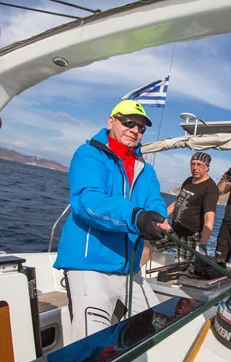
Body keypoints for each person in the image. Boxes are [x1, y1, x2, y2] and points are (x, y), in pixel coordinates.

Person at [54, 99, 170, 342]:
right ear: (111, 121)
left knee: (155, 333)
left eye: (141, 128)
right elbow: (89, 202)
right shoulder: (89, 154)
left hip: (129, 269)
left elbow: (155, 201)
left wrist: (158, 218)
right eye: (129, 122)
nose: (135, 130)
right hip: (89, 266)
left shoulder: (146, 170)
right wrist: (137, 217)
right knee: (90, 345)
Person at [144, 152, 219, 263]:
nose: (195, 168)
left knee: (185, 267)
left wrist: (203, 244)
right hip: (174, 230)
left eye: (199, 164)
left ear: (207, 167)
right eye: (192, 164)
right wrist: (161, 216)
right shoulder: (189, 181)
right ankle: (136, 273)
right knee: (148, 241)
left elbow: (209, 219)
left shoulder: (210, 188)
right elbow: (177, 202)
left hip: (191, 236)